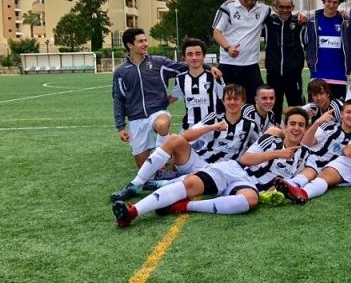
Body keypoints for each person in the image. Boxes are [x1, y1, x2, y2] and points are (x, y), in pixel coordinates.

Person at [109, 84, 259, 202]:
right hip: (198, 161)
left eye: (236, 99)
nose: (232, 102)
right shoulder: (214, 118)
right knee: (175, 138)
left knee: (192, 183)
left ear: (243, 101)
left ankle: (162, 182)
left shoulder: (251, 125)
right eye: (229, 99)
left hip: (221, 170)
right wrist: (212, 127)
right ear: (223, 100)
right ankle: (136, 184)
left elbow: (257, 148)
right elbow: (186, 136)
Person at [113, 28, 214, 169]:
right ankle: (159, 166)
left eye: (145, 40)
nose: (145, 43)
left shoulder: (158, 63)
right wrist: (121, 126)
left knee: (162, 125)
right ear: (130, 45)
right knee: (144, 167)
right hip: (136, 118)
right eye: (141, 41)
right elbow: (118, 99)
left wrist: (209, 68)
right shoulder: (121, 72)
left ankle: (163, 153)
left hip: (158, 112)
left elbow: (184, 66)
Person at [112, 158, 258, 227]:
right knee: (190, 183)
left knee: (250, 200)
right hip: (235, 169)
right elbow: (247, 157)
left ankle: (182, 206)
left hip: (251, 183)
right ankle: (132, 212)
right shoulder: (268, 135)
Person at [212, 0, 272, 102]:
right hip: (228, 64)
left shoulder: (264, 10)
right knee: (225, 102)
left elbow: (282, 14)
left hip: (251, 65)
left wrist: (300, 15)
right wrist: (228, 47)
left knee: (255, 102)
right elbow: (216, 32)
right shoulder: (228, 6)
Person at [239, 107, 315, 203]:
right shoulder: (270, 140)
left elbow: (295, 180)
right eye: (292, 124)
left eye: (301, 125)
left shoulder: (305, 154)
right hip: (244, 179)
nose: (296, 128)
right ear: (285, 126)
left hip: (264, 193)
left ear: (305, 129)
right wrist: (277, 153)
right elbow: (244, 159)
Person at [303, 0, 351, 100]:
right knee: (315, 110)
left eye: (335, 2)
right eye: (329, 1)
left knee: (337, 110)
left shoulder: (346, 22)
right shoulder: (312, 21)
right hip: (317, 76)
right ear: (323, 0)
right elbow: (305, 44)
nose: (331, 5)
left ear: (339, 3)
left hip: (339, 77)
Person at [168, 38, 224, 132]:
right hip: (189, 128)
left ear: (204, 56)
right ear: (184, 57)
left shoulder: (214, 76)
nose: (194, 58)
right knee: (174, 140)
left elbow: (225, 100)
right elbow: (172, 99)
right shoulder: (180, 78)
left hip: (212, 128)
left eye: (198, 54)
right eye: (190, 54)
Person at [263, 0, 306, 117]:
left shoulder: (299, 23)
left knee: (297, 107)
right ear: (275, 7)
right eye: (281, 7)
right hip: (274, 74)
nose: (285, 10)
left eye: (288, 7)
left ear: (293, 7)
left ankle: (299, 128)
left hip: (293, 75)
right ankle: (274, 127)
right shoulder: (268, 22)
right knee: (273, 107)